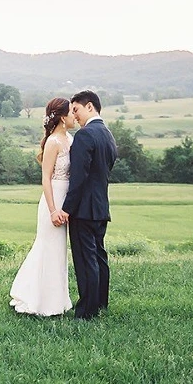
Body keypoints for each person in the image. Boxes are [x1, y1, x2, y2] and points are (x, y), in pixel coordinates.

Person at [9, 97, 75, 316]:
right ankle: (35, 299)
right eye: (72, 113)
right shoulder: (53, 142)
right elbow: (46, 178)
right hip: (53, 198)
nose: (75, 116)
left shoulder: (70, 139)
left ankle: (57, 300)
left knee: (59, 252)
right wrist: (53, 209)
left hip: (68, 198)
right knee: (48, 247)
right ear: (63, 117)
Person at [60, 90, 118, 319]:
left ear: (90, 107)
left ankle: (87, 311)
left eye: (77, 110)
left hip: (84, 208)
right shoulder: (107, 134)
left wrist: (67, 208)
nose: (75, 116)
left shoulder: (85, 135)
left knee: (86, 260)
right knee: (99, 257)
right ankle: (100, 302)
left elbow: (79, 177)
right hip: (101, 206)